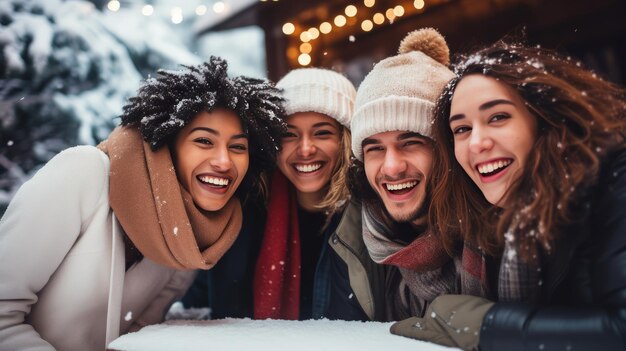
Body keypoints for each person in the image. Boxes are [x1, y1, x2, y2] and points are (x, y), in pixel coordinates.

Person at [0, 57, 287, 351]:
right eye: (204, 141)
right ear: (166, 144)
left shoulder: (192, 238)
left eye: (238, 147)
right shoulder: (82, 173)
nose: (224, 161)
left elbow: (138, 336)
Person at [390, 40, 626, 350]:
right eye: (461, 129)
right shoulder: (498, 220)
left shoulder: (613, 180)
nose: (476, 143)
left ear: (543, 119)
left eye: (498, 117)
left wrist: (484, 323)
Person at [348, 27, 489, 320]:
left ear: (447, 148)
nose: (391, 167)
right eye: (374, 148)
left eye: (410, 143)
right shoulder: (355, 240)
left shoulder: (498, 237)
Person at [253, 67, 388, 321]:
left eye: (322, 133)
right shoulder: (251, 213)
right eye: (289, 134)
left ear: (346, 138)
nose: (305, 149)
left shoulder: (376, 217)